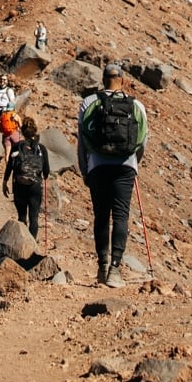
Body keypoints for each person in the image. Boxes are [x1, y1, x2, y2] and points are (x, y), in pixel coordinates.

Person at [77, 63, 148, 287]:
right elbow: (142, 140)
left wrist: (84, 170)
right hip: (126, 166)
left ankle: (102, 264)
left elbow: (82, 143)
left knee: (101, 216)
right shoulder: (136, 105)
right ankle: (115, 269)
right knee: (121, 216)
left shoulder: (89, 103)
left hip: (97, 165)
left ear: (103, 79)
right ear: (123, 80)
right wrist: (134, 163)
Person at [2, 115, 51, 240]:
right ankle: (32, 246)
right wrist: (43, 176)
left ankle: (22, 244)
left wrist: (5, 181)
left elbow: (10, 166)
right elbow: (46, 171)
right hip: (35, 186)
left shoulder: (17, 146)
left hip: (19, 184)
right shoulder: (41, 148)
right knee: (34, 218)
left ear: (22, 131)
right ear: (35, 130)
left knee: (22, 217)